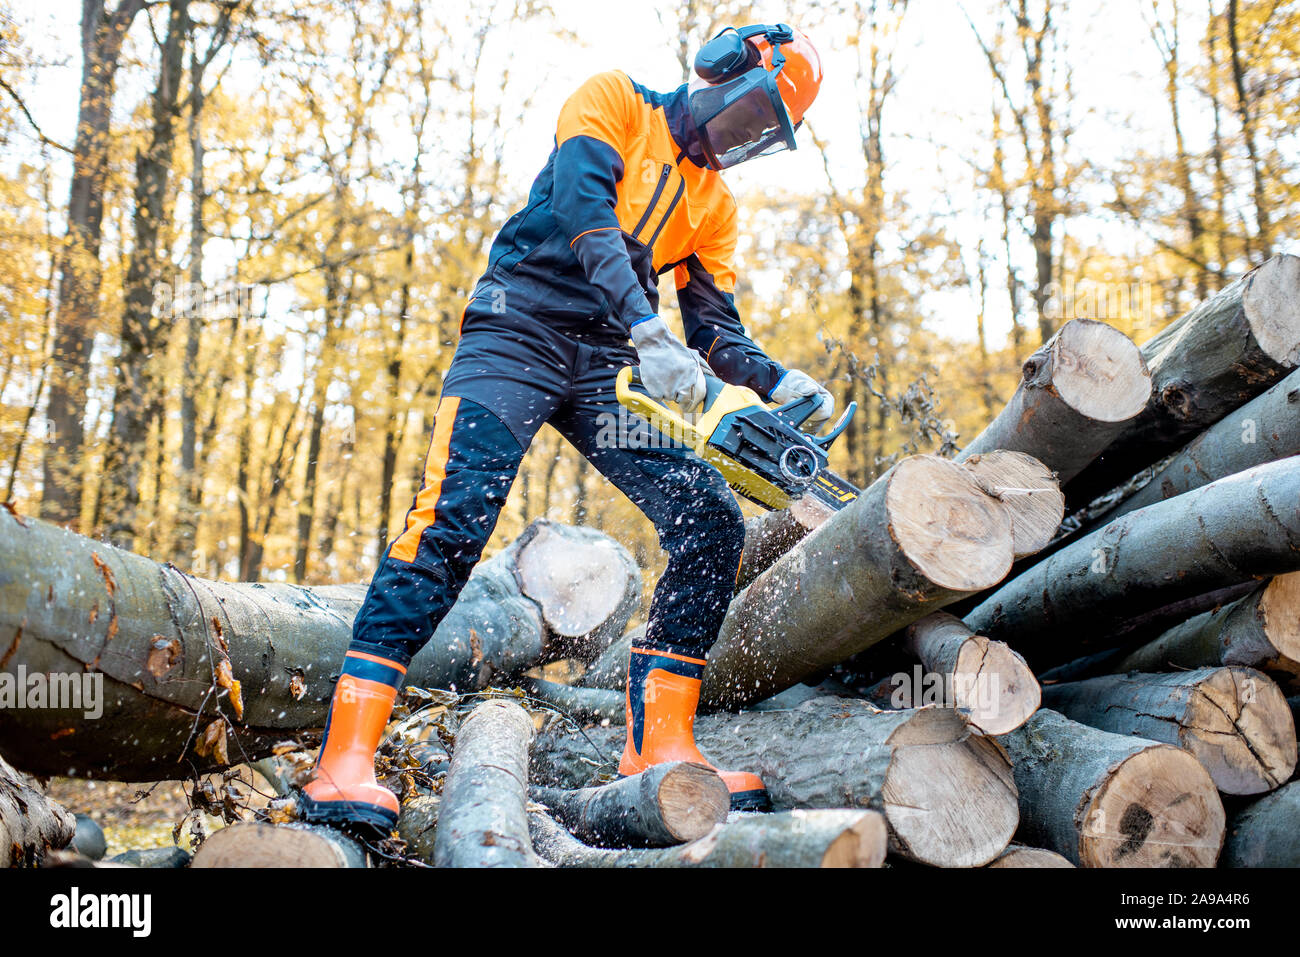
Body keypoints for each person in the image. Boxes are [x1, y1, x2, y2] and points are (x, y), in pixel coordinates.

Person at [300, 22, 831, 833]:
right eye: (748, 115)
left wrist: (774, 377)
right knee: (450, 520)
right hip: (516, 333)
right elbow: (585, 208)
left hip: (607, 370)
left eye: (765, 135)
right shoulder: (614, 99)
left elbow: (717, 329)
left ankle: (660, 743)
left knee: (709, 517)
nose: (742, 140)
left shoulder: (714, 206)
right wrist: (648, 332)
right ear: (724, 72)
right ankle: (346, 758)